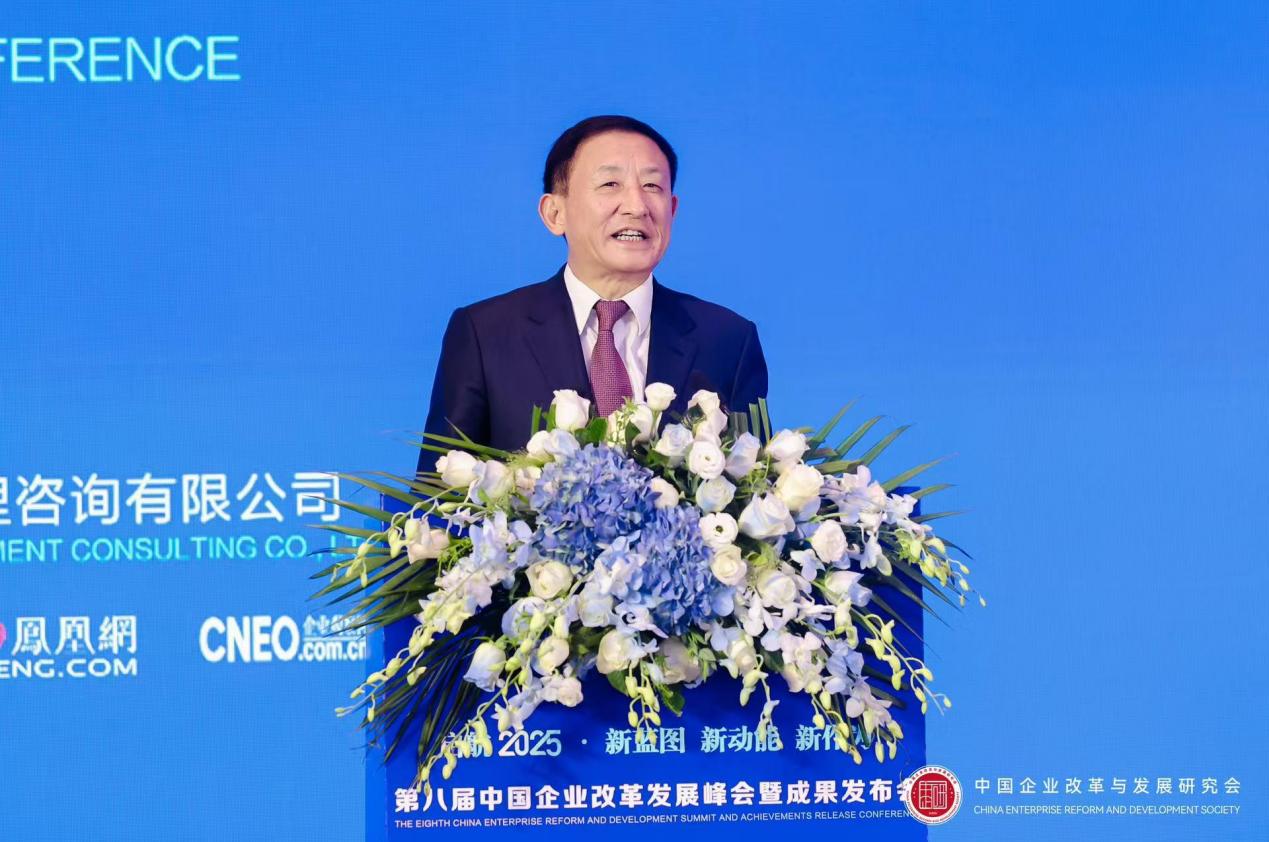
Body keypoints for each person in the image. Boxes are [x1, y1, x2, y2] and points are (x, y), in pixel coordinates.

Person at [418, 115, 768, 475]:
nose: (637, 206)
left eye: (652, 186)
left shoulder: (727, 340)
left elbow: (754, 486)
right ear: (555, 213)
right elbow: (437, 494)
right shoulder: (486, 334)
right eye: (610, 184)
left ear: (673, 210)